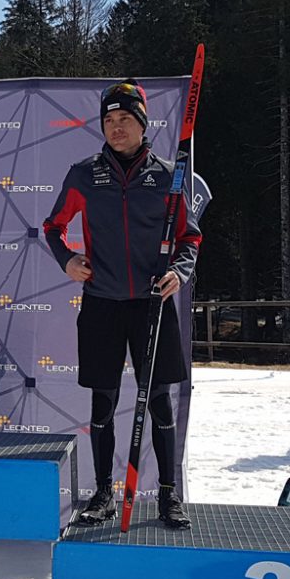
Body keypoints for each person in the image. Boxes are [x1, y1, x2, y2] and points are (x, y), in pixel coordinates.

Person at [43, 79, 201, 529]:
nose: (115, 128)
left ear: (142, 123)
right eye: (108, 120)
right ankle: (102, 495)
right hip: (102, 303)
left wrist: (180, 271)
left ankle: (169, 496)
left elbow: (189, 237)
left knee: (161, 404)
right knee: (102, 403)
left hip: (151, 304)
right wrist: (67, 259)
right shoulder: (84, 173)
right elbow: (53, 226)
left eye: (124, 119)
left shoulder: (169, 176)